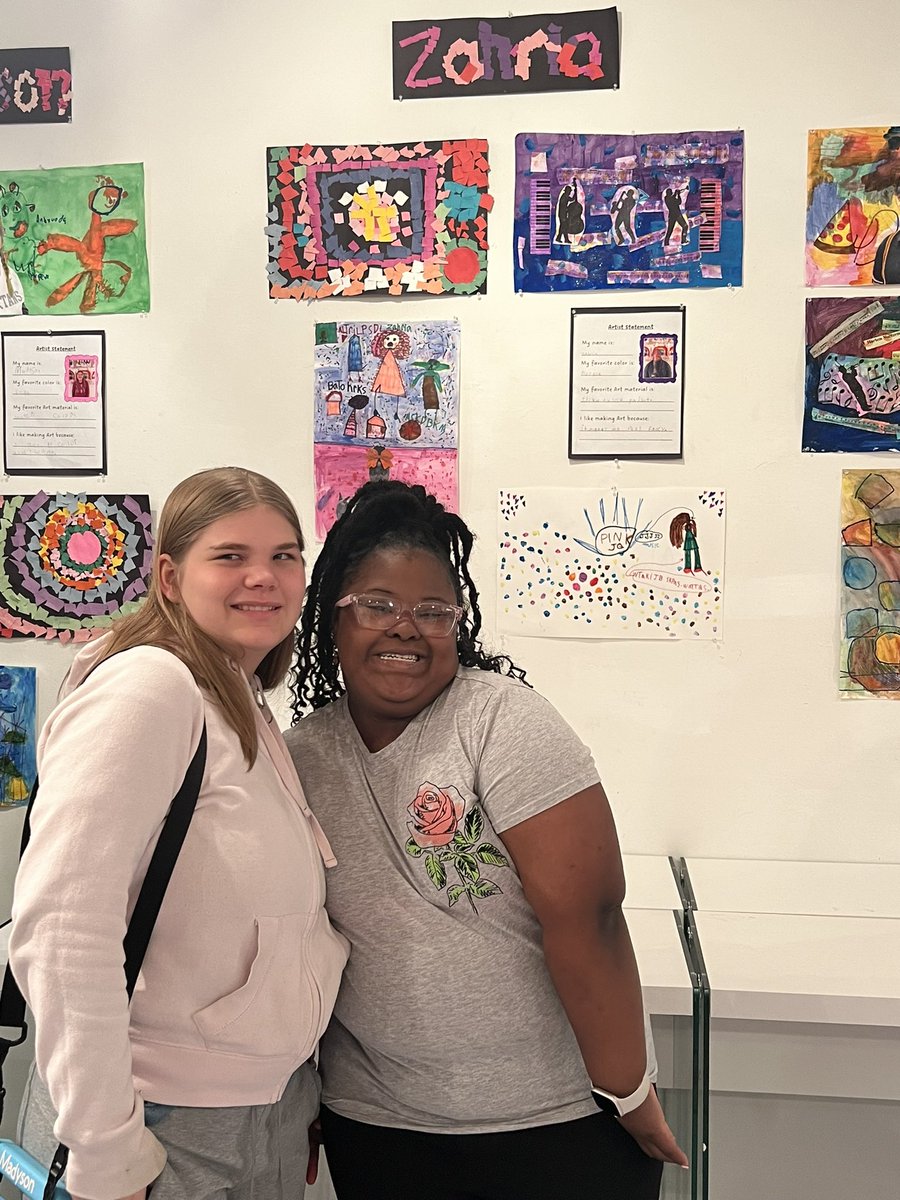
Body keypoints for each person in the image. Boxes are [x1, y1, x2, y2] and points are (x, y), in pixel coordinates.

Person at [287, 480, 687, 1200]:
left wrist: (627, 1090)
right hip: (379, 1126)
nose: (405, 628)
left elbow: (590, 918)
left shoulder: (503, 723)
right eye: (376, 605)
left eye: (433, 611)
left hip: (553, 1122)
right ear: (330, 619)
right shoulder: (299, 757)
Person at [9, 467, 349, 1200]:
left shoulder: (237, 698)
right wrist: (106, 1155)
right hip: (157, 1122)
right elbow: (63, 928)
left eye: (285, 555)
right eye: (231, 556)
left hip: (258, 1110)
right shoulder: (149, 688)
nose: (264, 576)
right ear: (168, 576)